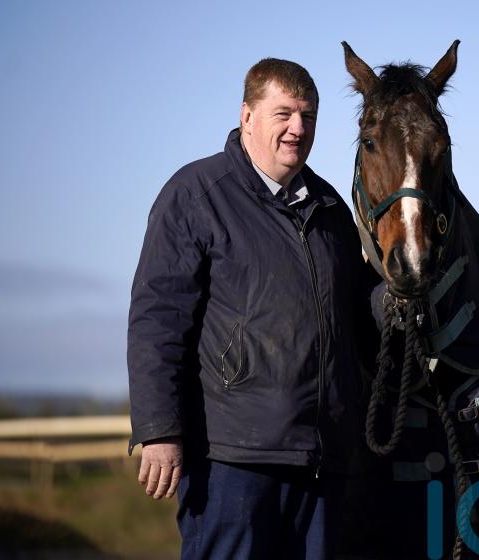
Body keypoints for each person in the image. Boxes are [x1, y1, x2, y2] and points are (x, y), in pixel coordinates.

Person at [127, 58, 371, 559]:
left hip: (322, 459)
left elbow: (359, 318)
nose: (298, 128)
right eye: (284, 114)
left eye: (308, 116)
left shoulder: (331, 209)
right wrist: (160, 430)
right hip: (231, 459)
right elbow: (158, 321)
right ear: (247, 116)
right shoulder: (196, 194)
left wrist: (402, 298)